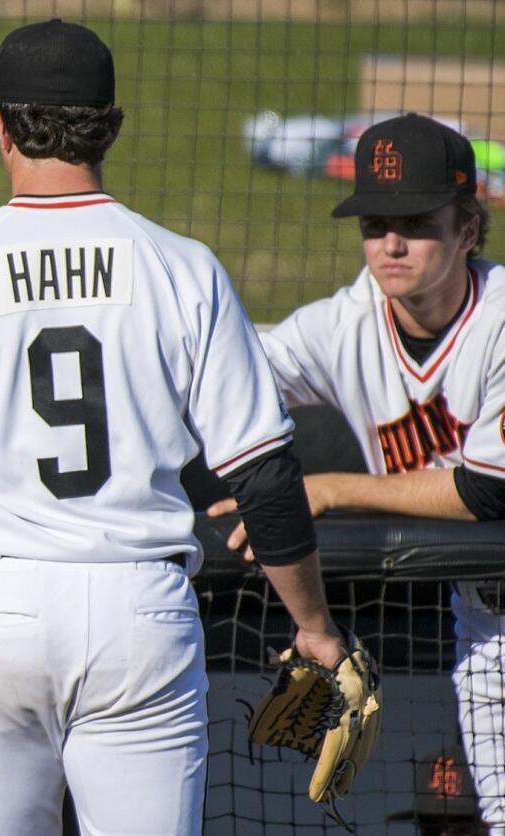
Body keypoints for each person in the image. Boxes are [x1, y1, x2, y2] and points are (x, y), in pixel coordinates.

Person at [0, 19, 350, 834]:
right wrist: (315, 627)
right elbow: (265, 477)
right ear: (113, 127)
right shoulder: (182, 267)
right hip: (142, 610)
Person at [210, 113, 505, 832]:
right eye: (375, 224)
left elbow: (487, 489)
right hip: (484, 624)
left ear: (468, 229)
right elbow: (221, 381)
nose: (392, 244)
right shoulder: (341, 326)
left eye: (416, 223)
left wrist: (327, 491)